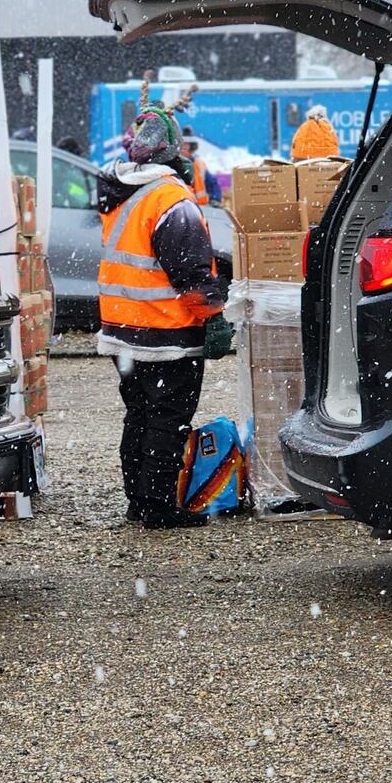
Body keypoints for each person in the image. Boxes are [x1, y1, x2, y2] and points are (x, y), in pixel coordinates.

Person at [98, 88, 228, 530]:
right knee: (168, 420)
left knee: (139, 415)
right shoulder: (170, 198)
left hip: (123, 331)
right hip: (167, 332)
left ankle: (138, 499)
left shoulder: (123, 191)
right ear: (174, 151)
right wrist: (214, 318)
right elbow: (189, 274)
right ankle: (156, 506)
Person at [181, 127, 219, 206]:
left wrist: (215, 199)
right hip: (181, 207)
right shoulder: (172, 165)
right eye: (182, 144)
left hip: (201, 208)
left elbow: (212, 184)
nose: (184, 147)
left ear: (192, 147)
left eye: (187, 144)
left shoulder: (199, 164)